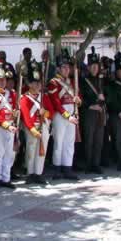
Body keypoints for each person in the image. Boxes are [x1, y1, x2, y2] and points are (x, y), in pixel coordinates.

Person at [48, 49, 82, 180]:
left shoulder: (71, 82)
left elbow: (77, 95)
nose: (67, 70)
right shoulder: (54, 82)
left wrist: (78, 100)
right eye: (64, 67)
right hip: (60, 115)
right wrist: (68, 116)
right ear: (58, 69)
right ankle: (57, 168)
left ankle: (67, 167)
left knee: (69, 143)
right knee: (59, 143)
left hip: (72, 114)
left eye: (68, 67)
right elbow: (56, 102)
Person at [20, 61, 54, 184]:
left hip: (43, 126)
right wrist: (33, 130)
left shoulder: (43, 96)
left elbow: (51, 112)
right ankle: (30, 173)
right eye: (35, 82)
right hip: (32, 128)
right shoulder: (24, 98)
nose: (38, 85)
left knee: (42, 150)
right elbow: (25, 115)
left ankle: (39, 173)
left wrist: (44, 113)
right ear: (29, 84)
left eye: (39, 82)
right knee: (31, 150)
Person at [81, 47, 106, 174]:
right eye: (92, 66)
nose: (95, 68)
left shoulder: (102, 80)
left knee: (99, 140)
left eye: (96, 65)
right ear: (89, 67)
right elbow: (81, 98)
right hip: (89, 112)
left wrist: (103, 99)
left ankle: (96, 164)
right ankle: (89, 164)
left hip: (100, 112)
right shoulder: (84, 80)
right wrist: (91, 105)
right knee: (89, 139)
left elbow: (107, 95)